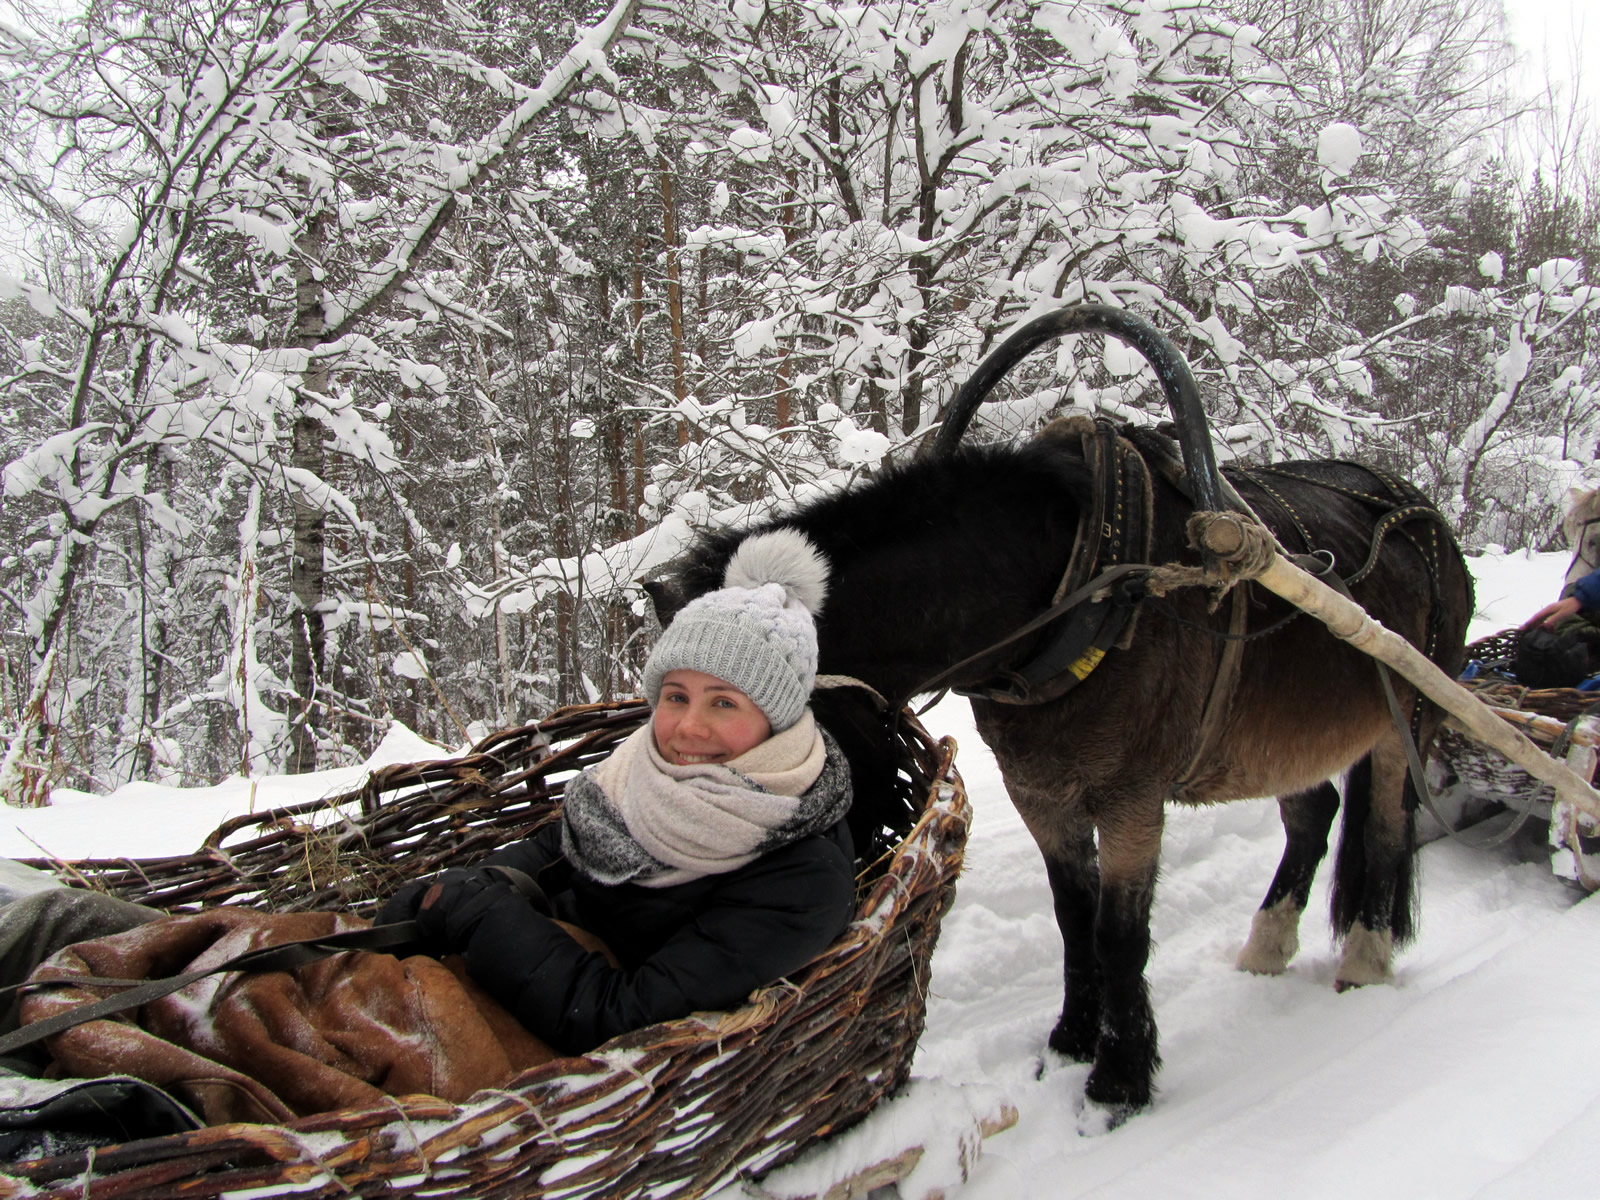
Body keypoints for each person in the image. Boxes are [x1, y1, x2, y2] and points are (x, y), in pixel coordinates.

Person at [379, 529, 856, 1056]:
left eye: (724, 703)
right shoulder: (637, 770)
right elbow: (560, 848)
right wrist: (469, 885)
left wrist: (478, 916)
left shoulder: (802, 877)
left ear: (778, 718)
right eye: (676, 696)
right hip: (536, 966)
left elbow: (622, 1020)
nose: (688, 728)